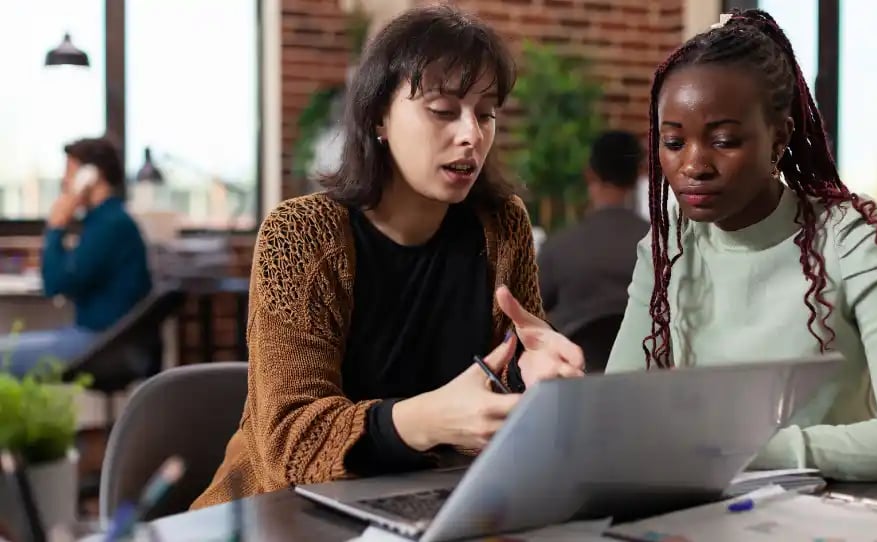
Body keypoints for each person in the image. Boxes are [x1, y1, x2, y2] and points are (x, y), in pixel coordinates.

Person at [192, 5, 584, 509]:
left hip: (435, 501)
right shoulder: (302, 234)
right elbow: (288, 447)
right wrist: (428, 419)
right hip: (280, 514)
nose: (471, 134)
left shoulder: (502, 224)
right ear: (378, 115)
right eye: (443, 110)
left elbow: (492, 383)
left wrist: (529, 375)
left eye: (486, 114)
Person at [606, 9, 877, 482]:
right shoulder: (669, 244)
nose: (694, 165)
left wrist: (744, 448)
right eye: (673, 142)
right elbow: (617, 417)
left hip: (843, 516)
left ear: (779, 138)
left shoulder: (854, 238)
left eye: (724, 140)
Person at [0, 137, 153, 378]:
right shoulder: (106, 220)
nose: (65, 181)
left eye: (70, 171)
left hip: (103, 342)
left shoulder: (110, 225)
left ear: (91, 176)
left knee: (2, 355)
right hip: (100, 337)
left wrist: (56, 226)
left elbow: (55, 284)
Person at [538, 130, 649, 371]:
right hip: (647, 385)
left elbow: (531, 316)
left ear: (590, 174)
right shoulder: (664, 248)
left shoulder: (559, 248)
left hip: (575, 387)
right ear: (639, 174)